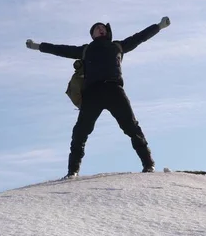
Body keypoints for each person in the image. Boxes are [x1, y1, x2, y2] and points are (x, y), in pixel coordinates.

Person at [26, 17, 171, 179]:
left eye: (102, 27)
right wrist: (37, 46)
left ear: (107, 32)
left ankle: (148, 164)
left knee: (132, 127)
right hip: (92, 93)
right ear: (92, 34)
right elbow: (60, 49)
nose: (100, 29)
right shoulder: (86, 50)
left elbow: (139, 37)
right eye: (96, 28)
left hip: (114, 90)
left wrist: (158, 26)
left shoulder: (118, 46)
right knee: (80, 132)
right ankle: (72, 171)